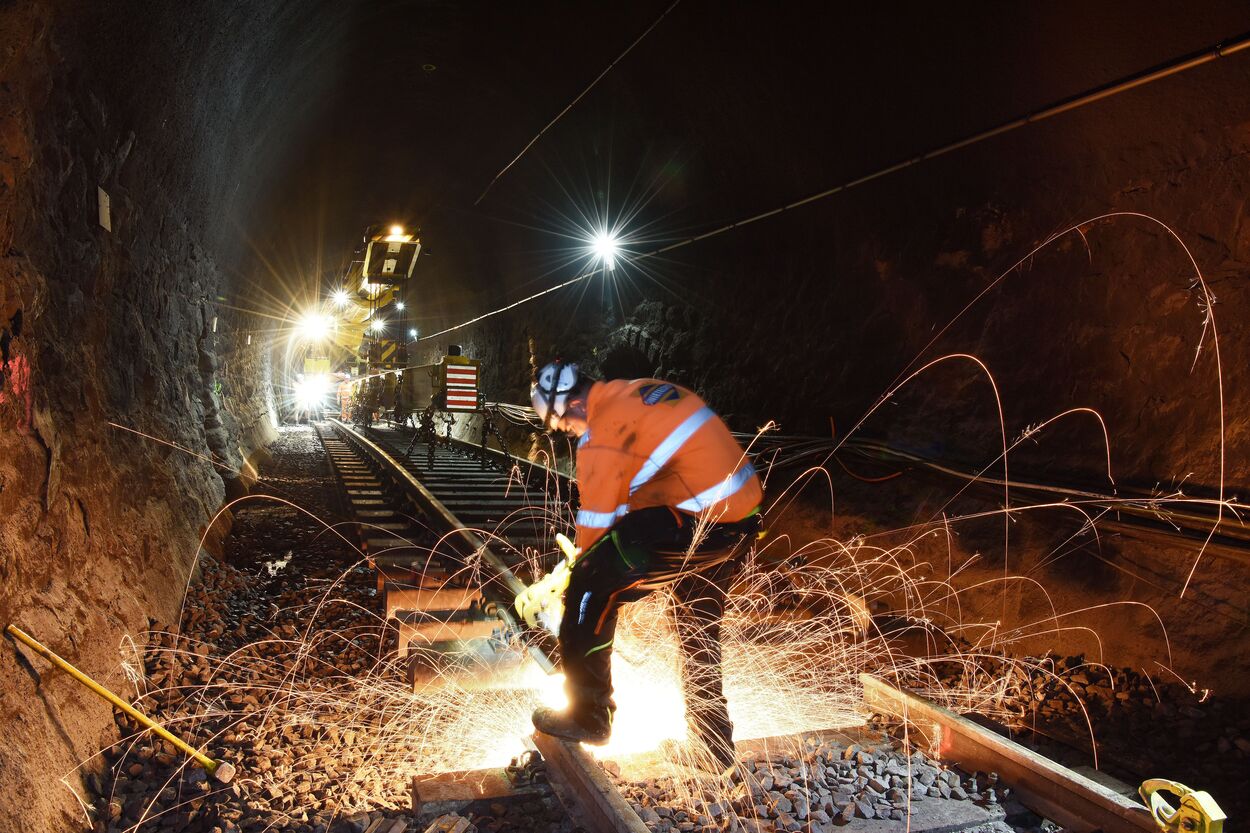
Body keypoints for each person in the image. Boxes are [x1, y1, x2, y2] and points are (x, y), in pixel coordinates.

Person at [522, 360, 762, 771]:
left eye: (563, 423)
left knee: (591, 585)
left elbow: (596, 525)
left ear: (575, 401)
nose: (565, 430)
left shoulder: (601, 433)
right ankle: (714, 746)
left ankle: (589, 715)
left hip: (698, 519)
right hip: (738, 521)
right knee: (695, 624)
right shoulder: (633, 392)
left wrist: (568, 583)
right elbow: (633, 495)